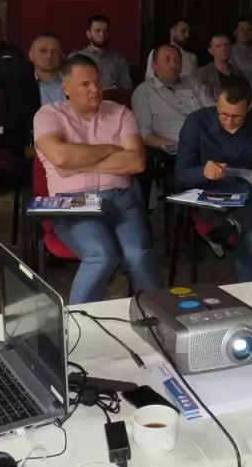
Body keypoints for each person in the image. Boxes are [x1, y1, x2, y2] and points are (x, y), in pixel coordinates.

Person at [33, 54, 160, 304]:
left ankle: (156, 315)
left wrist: (77, 163)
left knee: (138, 255)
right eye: (85, 84)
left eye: (97, 81)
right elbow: (60, 156)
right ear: (66, 88)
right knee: (101, 255)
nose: (95, 89)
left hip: (120, 198)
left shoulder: (120, 112)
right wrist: (112, 149)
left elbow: (136, 162)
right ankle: (76, 321)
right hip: (73, 202)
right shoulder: (48, 115)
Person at [175, 75, 252, 282]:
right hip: (212, 197)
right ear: (216, 100)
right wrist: (202, 172)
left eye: (237, 116)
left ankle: (232, 224)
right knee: (251, 233)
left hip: (250, 196)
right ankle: (247, 292)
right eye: (223, 114)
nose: (229, 121)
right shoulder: (197, 123)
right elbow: (180, 175)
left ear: (249, 107)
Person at [132, 43, 210, 149]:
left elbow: (214, 113)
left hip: (211, 141)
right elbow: (145, 136)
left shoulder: (194, 84)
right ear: (154, 65)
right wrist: (181, 147)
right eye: (167, 60)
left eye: (176, 61)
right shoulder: (143, 92)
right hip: (178, 150)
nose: (173, 64)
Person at [4, 32, 65, 156]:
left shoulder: (75, 84)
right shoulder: (18, 87)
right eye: (43, 51)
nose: (49, 56)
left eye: (55, 51)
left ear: (63, 56)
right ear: (31, 55)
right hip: (36, 151)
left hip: (74, 147)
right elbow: (14, 131)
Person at [74, 15, 132, 89]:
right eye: (97, 31)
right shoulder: (76, 58)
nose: (102, 34)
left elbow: (127, 87)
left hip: (111, 96)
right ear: (88, 34)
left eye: (105, 31)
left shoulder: (119, 59)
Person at [195, 33, 244, 100]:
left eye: (226, 45)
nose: (223, 48)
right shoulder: (203, 73)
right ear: (211, 51)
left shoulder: (238, 72)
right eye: (218, 46)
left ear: (231, 48)